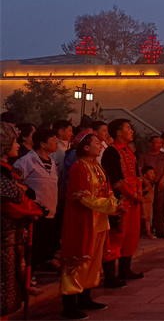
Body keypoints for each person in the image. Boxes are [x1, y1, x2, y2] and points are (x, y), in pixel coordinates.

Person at [59, 134, 122, 319]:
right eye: (96, 143)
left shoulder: (97, 167)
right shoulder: (79, 168)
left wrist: (116, 204)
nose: (100, 145)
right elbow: (84, 197)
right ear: (85, 148)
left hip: (99, 220)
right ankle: (69, 304)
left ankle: (85, 297)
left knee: (93, 260)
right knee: (79, 259)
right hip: (83, 220)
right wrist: (112, 206)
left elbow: (107, 191)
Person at [1, 122, 44, 318]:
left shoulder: (6, 172)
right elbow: (13, 204)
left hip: (11, 241)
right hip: (4, 242)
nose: (18, 145)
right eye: (14, 141)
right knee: (3, 292)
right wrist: (33, 210)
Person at [101, 118, 143, 287]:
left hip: (134, 201)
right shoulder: (111, 152)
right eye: (128, 128)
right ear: (119, 133)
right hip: (120, 201)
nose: (131, 131)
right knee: (116, 236)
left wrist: (140, 192)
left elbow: (136, 175)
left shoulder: (129, 151)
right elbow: (116, 179)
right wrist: (132, 195)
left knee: (131, 235)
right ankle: (110, 276)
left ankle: (125, 269)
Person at [14, 128, 60, 271]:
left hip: (50, 210)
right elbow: (15, 182)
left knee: (43, 245)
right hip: (34, 212)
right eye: (54, 141)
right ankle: (28, 275)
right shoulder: (26, 161)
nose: (57, 144)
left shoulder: (52, 163)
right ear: (42, 144)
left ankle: (36, 270)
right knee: (32, 247)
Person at [138, 136, 164, 238]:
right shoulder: (144, 156)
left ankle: (159, 229)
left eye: (160, 143)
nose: (159, 145)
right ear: (151, 144)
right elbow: (139, 170)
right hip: (147, 186)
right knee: (145, 208)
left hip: (160, 184)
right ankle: (144, 230)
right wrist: (145, 181)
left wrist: (162, 180)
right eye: (156, 143)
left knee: (159, 207)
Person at [140, 166, 157, 239]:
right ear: (145, 175)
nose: (153, 175)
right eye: (151, 173)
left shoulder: (152, 183)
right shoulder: (143, 183)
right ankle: (146, 232)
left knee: (147, 218)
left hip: (149, 203)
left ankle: (148, 232)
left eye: (153, 173)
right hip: (143, 202)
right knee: (143, 218)